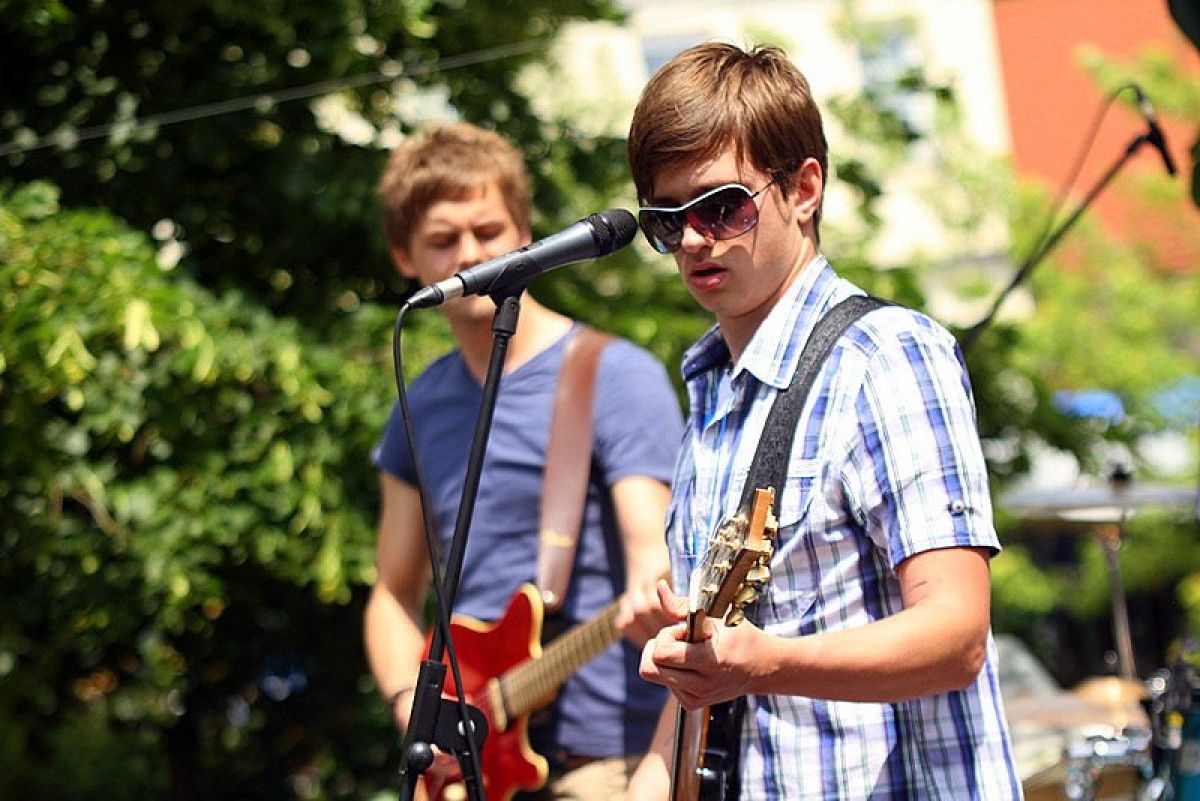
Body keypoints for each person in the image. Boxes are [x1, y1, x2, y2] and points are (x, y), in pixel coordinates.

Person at [623, 43, 1022, 800]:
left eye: (722, 206)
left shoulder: (886, 357)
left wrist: (764, 662)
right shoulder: (711, 393)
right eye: (667, 221)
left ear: (804, 188)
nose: (696, 239)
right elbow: (707, 682)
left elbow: (956, 635)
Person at [364, 122, 684, 801]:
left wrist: (652, 594)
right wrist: (412, 709)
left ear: (525, 233)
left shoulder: (613, 376)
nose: (471, 254)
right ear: (404, 256)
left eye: (489, 231)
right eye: (443, 240)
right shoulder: (419, 405)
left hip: (606, 758)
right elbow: (392, 592)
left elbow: (654, 556)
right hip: (473, 766)